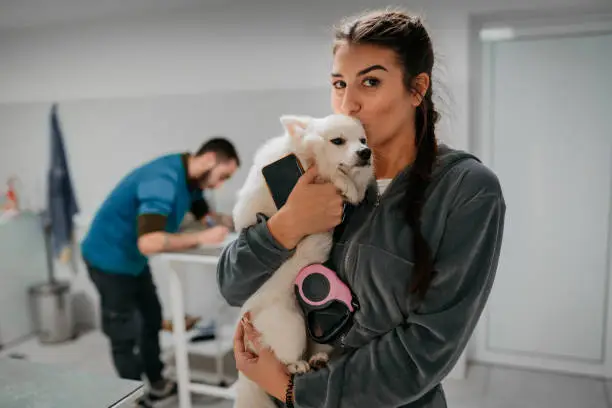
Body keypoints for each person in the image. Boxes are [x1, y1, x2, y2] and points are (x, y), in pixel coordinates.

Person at [217, 9, 506, 408]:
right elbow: (231, 285)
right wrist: (286, 225)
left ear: (417, 88)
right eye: (339, 84)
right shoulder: (307, 170)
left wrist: (293, 391)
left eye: (370, 82)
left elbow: (426, 350)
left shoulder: (467, 190)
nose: (347, 104)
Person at [81, 138, 240, 407]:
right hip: (108, 260)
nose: (219, 185)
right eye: (222, 176)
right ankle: (132, 399)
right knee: (124, 334)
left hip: (134, 262)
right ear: (210, 159)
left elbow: (205, 216)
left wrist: (227, 221)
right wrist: (202, 238)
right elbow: (149, 241)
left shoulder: (191, 181)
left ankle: (156, 382)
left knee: (151, 320)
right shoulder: (163, 181)